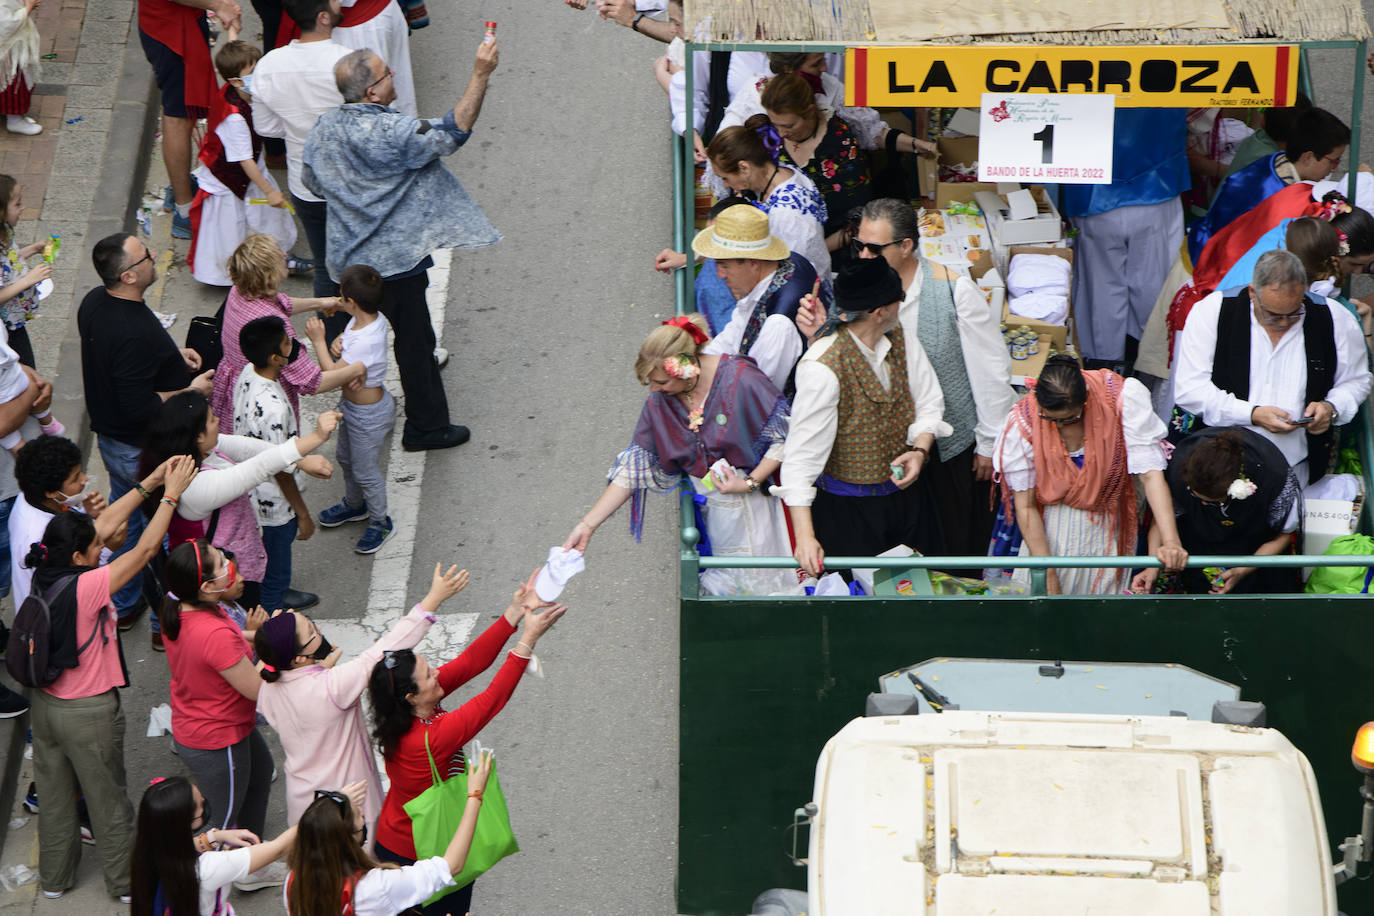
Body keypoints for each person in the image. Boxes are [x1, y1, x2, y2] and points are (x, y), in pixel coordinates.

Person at [302, 42, 503, 451]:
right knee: (414, 343)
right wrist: (481, 72)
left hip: (347, 265)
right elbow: (452, 132)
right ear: (372, 93)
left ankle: (355, 416)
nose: (393, 73)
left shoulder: (323, 128)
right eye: (386, 73)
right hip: (397, 266)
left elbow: (312, 182)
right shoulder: (393, 132)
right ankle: (425, 427)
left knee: (353, 340)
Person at [797, 198, 1017, 559]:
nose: (864, 255)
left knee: (952, 544)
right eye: (859, 245)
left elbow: (991, 372)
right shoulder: (857, 287)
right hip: (880, 463)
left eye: (874, 248)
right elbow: (843, 359)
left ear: (906, 246)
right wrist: (818, 334)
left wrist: (988, 444)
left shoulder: (954, 290)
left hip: (947, 449)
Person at [25, 456, 197, 901]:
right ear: (78, 556)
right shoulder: (88, 586)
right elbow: (145, 551)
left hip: (46, 708)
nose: (103, 548)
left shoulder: (44, 571)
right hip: (88, 714)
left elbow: (101, 529)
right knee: (108, 800)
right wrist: (170, 496)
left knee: (56, 798)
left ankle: (54, 881)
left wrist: (149, 483)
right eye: (96, 548)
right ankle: (125, 884)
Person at [366, 584, 566, 916]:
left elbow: (471, 661)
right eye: (428, 675)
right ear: (410, 697)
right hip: (423, 849)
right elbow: (492, 700)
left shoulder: (405, 712)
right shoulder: (432, 736)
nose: (437, 673)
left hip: (401, 835)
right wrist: (527, 640)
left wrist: (514, 612)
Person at [563, 314, 795, 596]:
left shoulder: (741, 378)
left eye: (661, 382)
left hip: (755, 512)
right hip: (712, 514)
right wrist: (587, 525)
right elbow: (633, 470)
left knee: (763, 586)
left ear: (688, 369)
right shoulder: (662, 400)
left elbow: (785, 438)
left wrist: (749, 482)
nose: (654, 390)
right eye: (650, 382)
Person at [254, 562, 468, 838]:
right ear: (298, 658)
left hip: (304, 803)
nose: (318, 629)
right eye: (311, 631)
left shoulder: (267, 685)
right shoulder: (331, 687)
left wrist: (279, 636)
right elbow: (382, 652)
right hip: (349, 803)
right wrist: (433, 600)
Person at [776, 258, 951, 578]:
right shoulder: (822, 368)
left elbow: (929, 401)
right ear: (879, 311)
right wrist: (806, 537)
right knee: (860, 601)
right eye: (899, 298)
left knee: (924, 589)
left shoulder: (900, 337)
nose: (902, 305)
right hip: (849, 515)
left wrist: (919, 450)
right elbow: (800, 461)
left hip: (909, 503)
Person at [78, 233, 213, 634]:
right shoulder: (131, 332)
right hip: (140, 451)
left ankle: (124, 604)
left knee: (128, 526)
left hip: (113, 443)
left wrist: (171, 357)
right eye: (146, 257)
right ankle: (164, 623)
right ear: (128, 276)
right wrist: (191, 391)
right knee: (163, 536)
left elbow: (125, 361)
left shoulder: (95, 302)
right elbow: (138, 404)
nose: (154, 257)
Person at [1174, 249, 1372, 487]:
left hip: (1298, 466)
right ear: (1252, 293)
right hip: (1220, 469)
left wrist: (1331, 407)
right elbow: (1190, 390)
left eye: (1294, 313)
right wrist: (1252, 414)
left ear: (1304, 291)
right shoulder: (1213, 311)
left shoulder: (1335, 317)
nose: (1284, 323)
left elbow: (1358, 380)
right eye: (1273, 315)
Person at [993, 355, 1186, 595]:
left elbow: (1151, 476)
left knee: (1102, 608)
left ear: (1086, 401)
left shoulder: (1120, 399)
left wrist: (1171, 541)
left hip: (1109, 529)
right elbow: (1025, 506)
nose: (1059, 426)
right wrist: (1047, 570)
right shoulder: (1023, 419)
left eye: (1069, 418)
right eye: (1050, 418)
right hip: (1048, 534)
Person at [159, 538, 286, 892]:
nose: (229, 563)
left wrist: (255, 636)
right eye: (220, 563)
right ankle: (223, 880)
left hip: (212, 722)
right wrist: (279, 655)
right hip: (218, 738)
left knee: (260, 773)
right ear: (205, 586)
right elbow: (257, 689)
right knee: (220, 820)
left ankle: (249, 853)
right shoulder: (213, 632)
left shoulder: (178, 605)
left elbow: (227, 641)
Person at [139, 392, 338, 614]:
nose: (218, 421)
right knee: (245, 621)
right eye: (212, 419)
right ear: (198, 437)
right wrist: (316, 437)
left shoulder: (200, 451)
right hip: (221, 581)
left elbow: (249, 448)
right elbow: (258, 468)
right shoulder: (195, 487)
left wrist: (301, 461)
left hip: (234, 566)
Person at [1059, 108, 1189, 370]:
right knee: (1157, 287)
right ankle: (1159, 368)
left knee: (1101, 292)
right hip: (1157, 185)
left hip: (1092, 192)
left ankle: (1104, 371)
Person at [284, 763, 491, 916]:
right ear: (349, 840)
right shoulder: (376, 887)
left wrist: (334, 806)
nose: (363, 814)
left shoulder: (293, 884)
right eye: (359, 815)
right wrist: (475, 795)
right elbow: (451, 866)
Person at [249, 0, 352, 303]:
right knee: (360, 263)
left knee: (324, 265)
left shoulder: (269, 64)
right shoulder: (349, 60)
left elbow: (266, 127)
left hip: (304, 185)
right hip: (351, 183)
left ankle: (329, 326)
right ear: (323, 17)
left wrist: (297, 125)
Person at [211, 233, 360, 434]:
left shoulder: (240, 290)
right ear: (269, 276)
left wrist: (322, 303)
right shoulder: (277, 328)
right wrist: (357, 368)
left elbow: (281, 303)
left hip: (235, 389)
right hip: (265, 401)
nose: (284, 254)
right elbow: (312, 383)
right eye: (278, 255)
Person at [1133, 427, 1302, 595]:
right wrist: (1152, 566)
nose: (1203, 503)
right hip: (1197, 546)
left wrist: (1243, 570)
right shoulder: (1179, 466)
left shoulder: (1274, 478)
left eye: (1211, 502)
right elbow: (1163, 518)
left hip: (1257, 553)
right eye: (1194, 495)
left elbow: (1284, 534)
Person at [188, 41, 300, 288]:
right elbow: (244, 160)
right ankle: (242, 272)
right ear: (236, 81)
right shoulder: (236, 119)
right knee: (236, 225)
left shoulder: (232, 91)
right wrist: (269, 191)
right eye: (253, 71)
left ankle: (271, 259)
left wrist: (232, 32)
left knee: (258, 217)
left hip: (244, 174)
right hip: (233, 179)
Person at [232, 316, 322, 611]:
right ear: (275, 358)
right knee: (275, 572)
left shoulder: (248, 371)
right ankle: (271, 620)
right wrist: (302, 513)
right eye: (286, 343)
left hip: (249, 488)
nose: (291, 345)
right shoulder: (273, 409)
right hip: (273, 505)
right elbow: (281, 468)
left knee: (269, 560)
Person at [303, 264, 395, 554]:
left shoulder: (365, 340)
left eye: (342, 297)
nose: (340, 301)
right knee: (346, 458)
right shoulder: (368, 320)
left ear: (353, 302)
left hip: (369, 416)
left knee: (366, 472)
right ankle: (356, 505)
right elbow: (349, 345)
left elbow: (330, 376)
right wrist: (338, 339)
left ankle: (380, 521)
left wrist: (319, 341)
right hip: (353, 409)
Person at [1187, 107, 1351, 263]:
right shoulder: (1277, 197)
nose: (1335, 168)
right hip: (1213, 265)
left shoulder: (1272, 160)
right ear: (1308, 157)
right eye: (1334, 161)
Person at [137, 0, 242, 238]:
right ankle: (185, 211)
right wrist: (219, 6)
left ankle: (179, 188)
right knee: (179, 117)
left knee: (183, 110)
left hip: (180, 21)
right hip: (170, 30)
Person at [688, 204, 815, 393]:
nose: (720, 275)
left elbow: (757, 393)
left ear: (753, 262)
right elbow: (731, 338)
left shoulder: (778, 324)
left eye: (724, 266)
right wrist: (690, 367)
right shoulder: (788, 262)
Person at [130, 774, 298, 916]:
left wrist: (217, 836)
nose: (204, 800)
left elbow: (186, 845)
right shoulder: (209, 869)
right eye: (201, 805)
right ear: (186, 823)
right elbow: (279, 848)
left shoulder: (148, 853)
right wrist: (311, 817)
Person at [705, 123, 831, 285]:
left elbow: (789, 274)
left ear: (744, 168)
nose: (726, 185)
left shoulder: (785, 216)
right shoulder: (784, 172)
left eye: (725, 178)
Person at [0, 175, 56, 366]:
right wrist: (28, 280)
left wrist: (33, 249)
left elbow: (9, 262)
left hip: (15, 322)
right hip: (7, 329)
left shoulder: (5, 230)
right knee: (27, 372)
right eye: (17, 204)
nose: (23, 207)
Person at [0, 0, 43, 135]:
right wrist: (28, 8)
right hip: (7, 52)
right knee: (13, 86)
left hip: (10, 48)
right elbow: (6, 24)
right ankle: (15, 121)